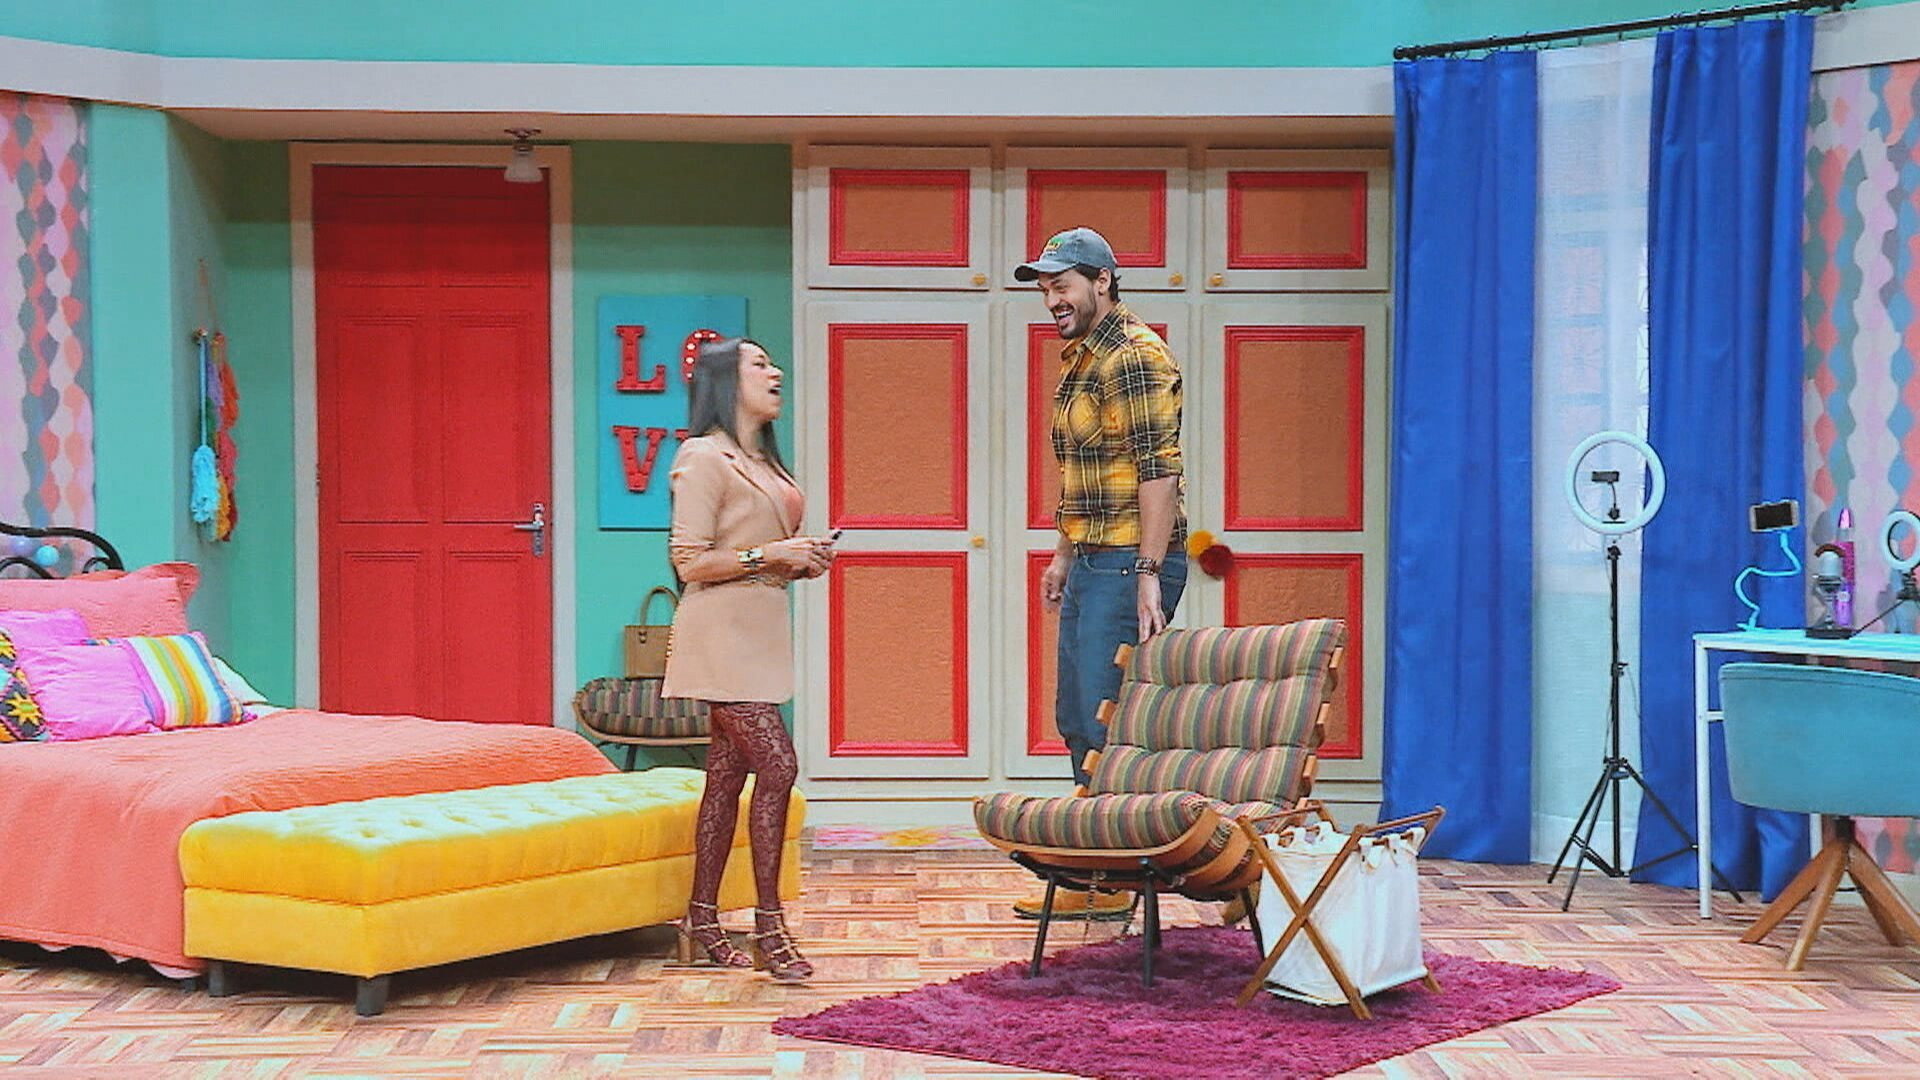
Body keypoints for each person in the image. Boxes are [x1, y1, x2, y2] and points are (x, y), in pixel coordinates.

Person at [1016, 227, 1189, 921]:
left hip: (1127, 562)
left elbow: (1159, 471)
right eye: (1045, 290)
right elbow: (1083, 473)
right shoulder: (1081, 358)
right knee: (1076, 717)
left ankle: (1115, 876)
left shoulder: (1135, 356)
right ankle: (1098, 868)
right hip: (1092, 557)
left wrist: (1148, 571)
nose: (1051, 300)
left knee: (1106, 719)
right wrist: (1063, 554)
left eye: (1061, 286)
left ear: (1103, 281)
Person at [662, 337, 834, 981]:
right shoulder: (703, 456)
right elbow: (690, 561)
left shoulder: (761, 460)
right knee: (779, 765)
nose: (775, 371)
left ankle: (700, 922)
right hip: (718, 637)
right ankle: (769, 926)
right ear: (725, 380)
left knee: (725, 780)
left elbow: (757, 555)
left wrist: (800, 560)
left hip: (758, 632)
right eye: (759, 364)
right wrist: (772, 555)